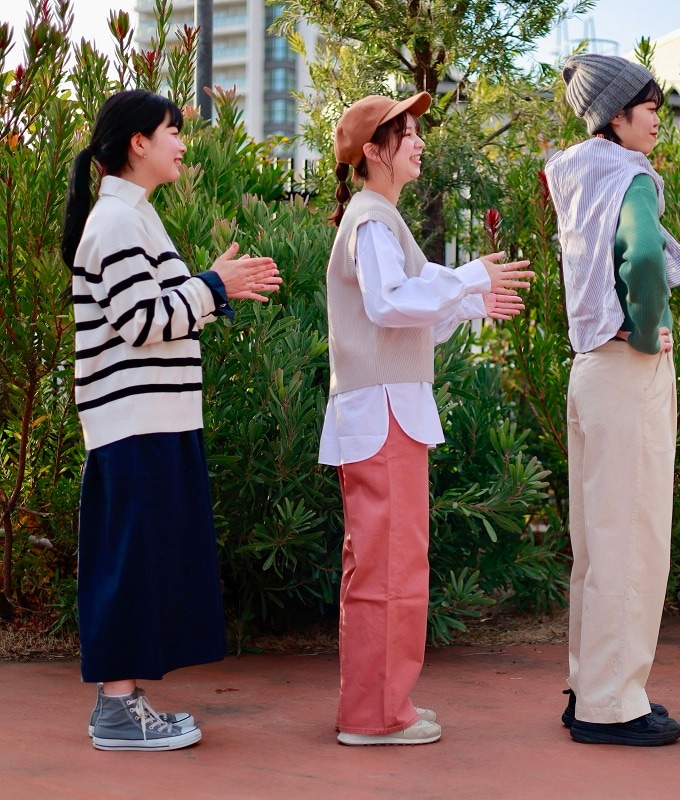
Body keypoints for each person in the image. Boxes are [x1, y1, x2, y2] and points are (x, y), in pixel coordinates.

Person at [61, 89, 282, 751]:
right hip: (135, 424)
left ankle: (124, 703)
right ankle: (116, 710)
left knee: (144, 564)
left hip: (154, 420)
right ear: (139, 143)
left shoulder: (134, 217)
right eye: (173, 131)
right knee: (130, 565)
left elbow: (161, 313)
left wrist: (213, 287)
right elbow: (141, 321)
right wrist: (213, 285)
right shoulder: (116, 222)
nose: (183, 144)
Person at [319, 92, 533, 746]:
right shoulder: (373, 220)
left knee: (391, 563)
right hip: (385, 413)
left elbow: (407, 319)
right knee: (390, 566)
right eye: (406, 133)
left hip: (386, 412)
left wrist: (471, 299)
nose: (418, 142)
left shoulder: (378, 218)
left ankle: (382, 705)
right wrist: (467, 280)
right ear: (372, 152)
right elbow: (389, 304)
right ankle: (376, 715)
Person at [544, 54, 680, 746]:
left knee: (596, 543)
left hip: (588, 370)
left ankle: (592, 690)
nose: (658, 121)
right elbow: (643, 259)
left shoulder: (575, 173)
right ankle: (613, 707)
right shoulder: (631, 177)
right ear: (616, 115)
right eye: (650, 109)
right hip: (628, 368)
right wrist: (643, 331)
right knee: (633, 540)